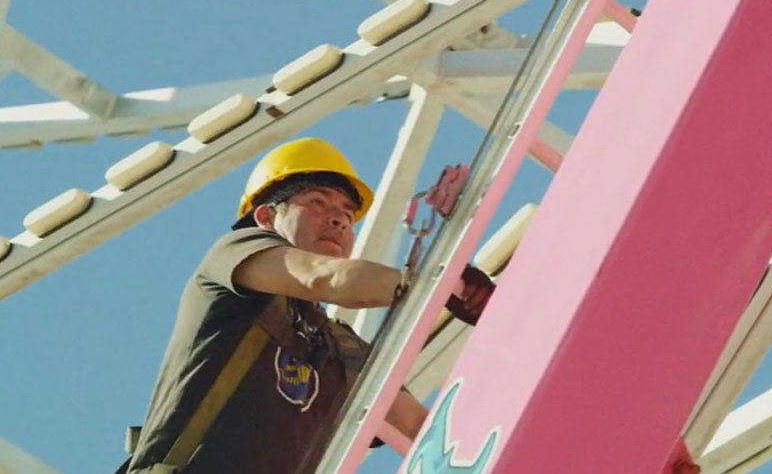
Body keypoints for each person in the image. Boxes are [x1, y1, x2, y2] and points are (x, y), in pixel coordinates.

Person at [122, 137, 494, 473]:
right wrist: (438, 284)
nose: (338, 218)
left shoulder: (338, 348)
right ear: (266, 217)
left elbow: (422, 432)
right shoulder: (234, 260)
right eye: (317, 201)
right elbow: (323, 278)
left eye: (348, 214)